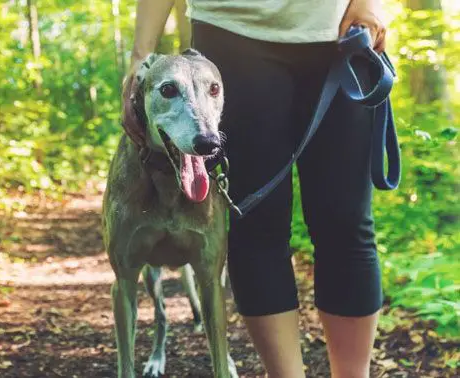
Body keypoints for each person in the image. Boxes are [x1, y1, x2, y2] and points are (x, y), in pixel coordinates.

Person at [124, 1, 388, 377]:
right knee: (256, 224)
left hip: (344, 32)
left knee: (346, 224)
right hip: (233, 33)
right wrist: (141, 55)